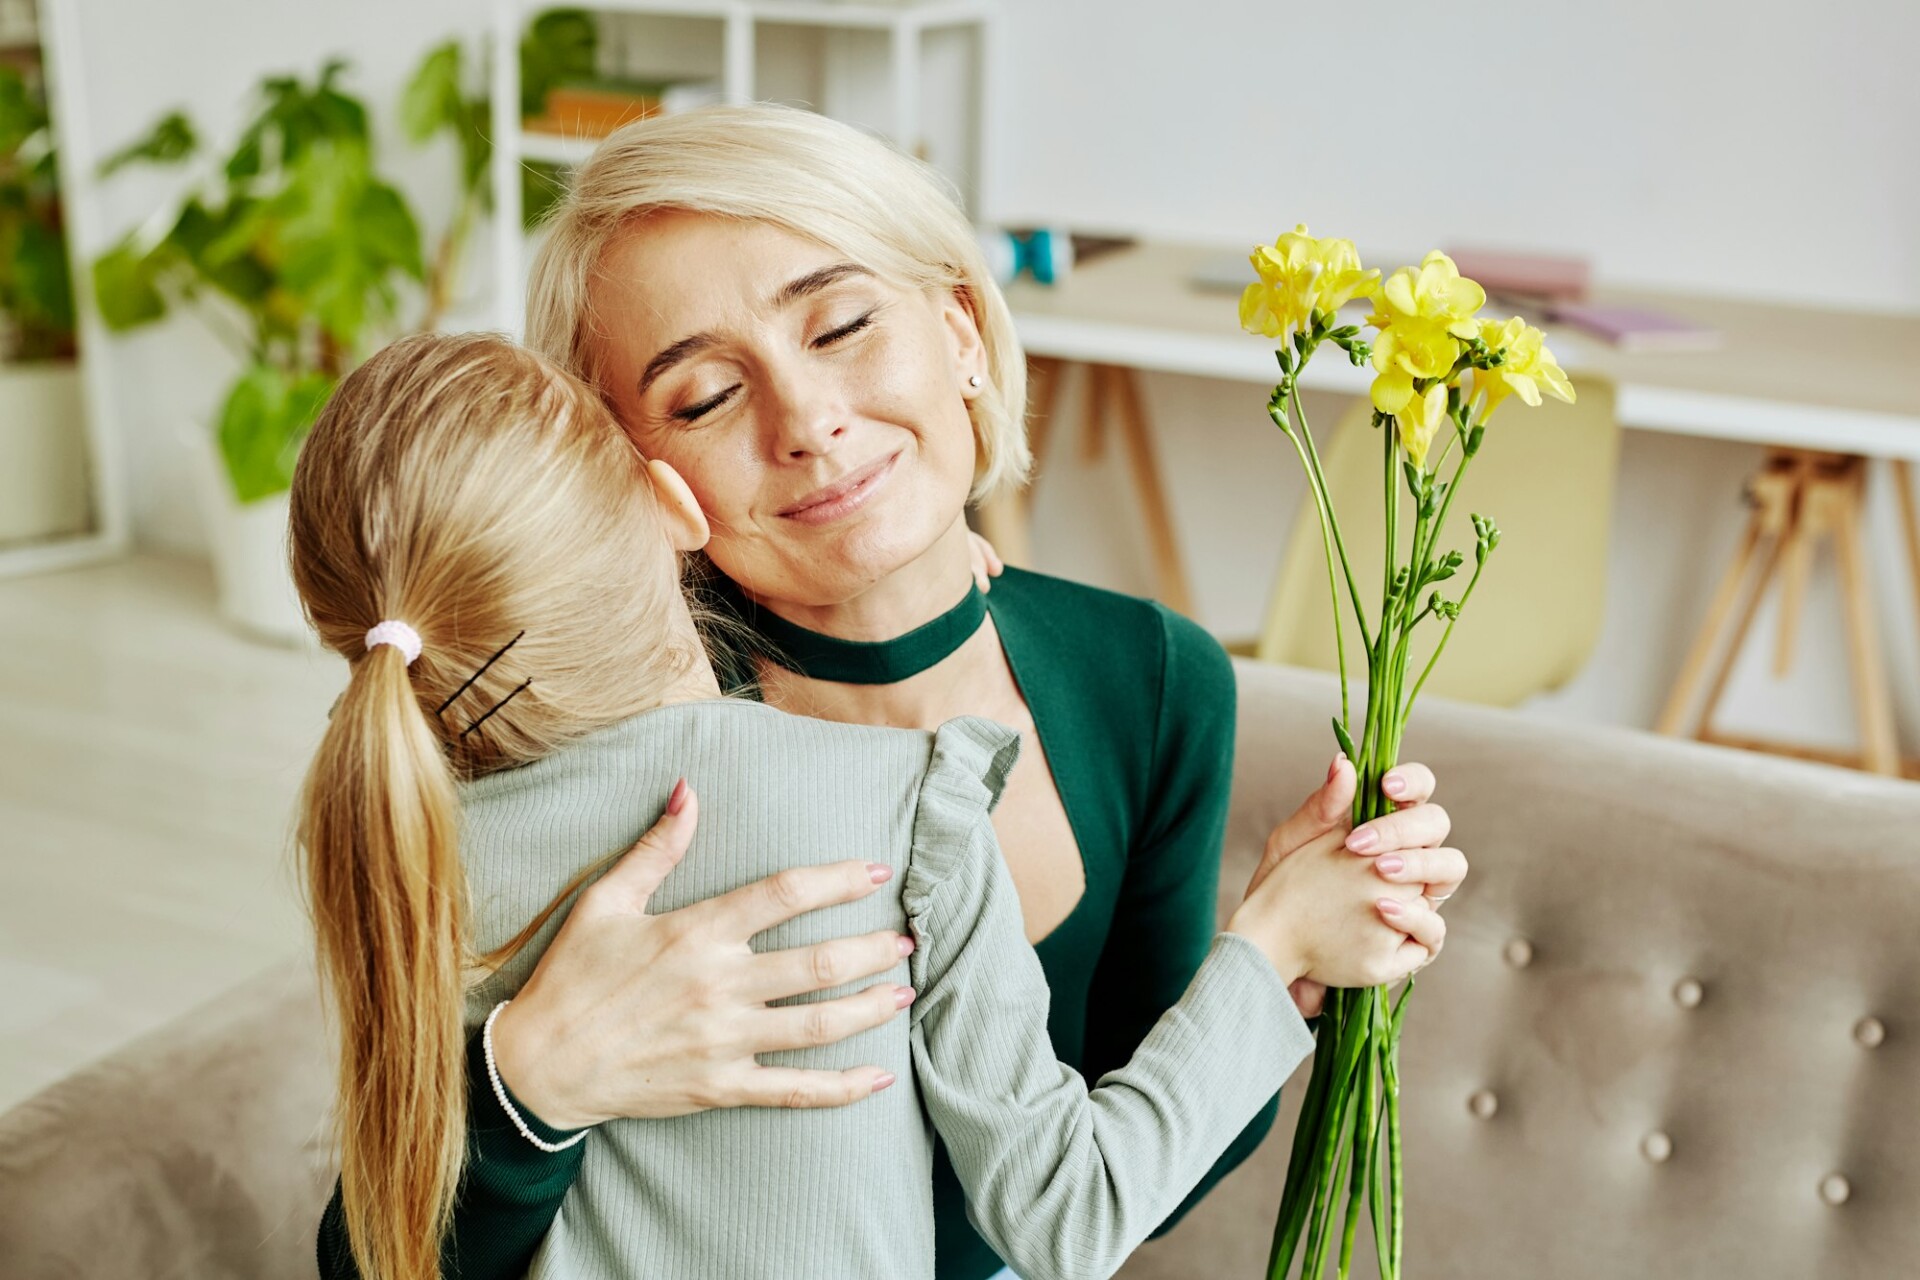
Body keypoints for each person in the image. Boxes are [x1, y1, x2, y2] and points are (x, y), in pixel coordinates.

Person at [317, 103, 1464, 1280]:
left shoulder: (1151, 675)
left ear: (961, 326)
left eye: (844, 324)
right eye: (705, 396)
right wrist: (532, 1080)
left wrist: (1279, 961)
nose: (809, 421)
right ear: (631, 478)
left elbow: (1123, 1189)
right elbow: (369, 1255)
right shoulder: (598, 726)